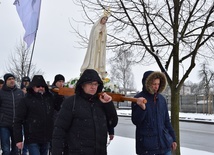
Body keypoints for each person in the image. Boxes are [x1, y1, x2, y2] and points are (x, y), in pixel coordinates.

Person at [51, 69, 118, 155]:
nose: (93, 87)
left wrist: (109, 104)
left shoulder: (101, 102)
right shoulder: (71, 103)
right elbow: (59, 130)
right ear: (82, 85)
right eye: (90, 83)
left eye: (95, 84)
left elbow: (112, 123)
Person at [131, 71, 177, 155]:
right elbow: (136, 121)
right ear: (147, 83)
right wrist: (142, 108)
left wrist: (173, 139)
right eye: (154, 84)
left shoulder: (162, 99)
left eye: (158, 84)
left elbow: (166, 121)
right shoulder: (138, 98)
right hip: (147, 147)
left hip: (164, 145)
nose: (156, 87)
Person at [13, 75, 55, 155]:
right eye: (38, 86)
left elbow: (59, 107)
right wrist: (18, 139)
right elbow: (18, 120)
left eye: (43, 86)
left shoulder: (49, 99)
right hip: (32, 137)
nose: (41, 88)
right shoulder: (26, 100)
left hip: (46, 137)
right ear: (33, 87)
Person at [80, 10, 110, 79]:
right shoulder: (96, 26)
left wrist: (103, 33)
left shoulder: (105, 28)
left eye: (106, 20)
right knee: (94, 57)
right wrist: (99, 31)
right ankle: (92, 68)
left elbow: (104, 38)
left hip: (101, 46)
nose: (105, 21)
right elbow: (94, 35)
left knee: (99, 58)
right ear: (101, 19)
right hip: (95, 45)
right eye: (104, 19)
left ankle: (99, 71)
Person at [0, 73, 24, 155]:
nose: (12, 81)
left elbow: (24, 107)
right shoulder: (1, 93)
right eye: (9, 79)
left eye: (13, 79)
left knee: (16, 149)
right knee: (6, 149)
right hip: (4, 124)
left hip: (17, 125)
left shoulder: (20, 93)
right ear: (6, 81)